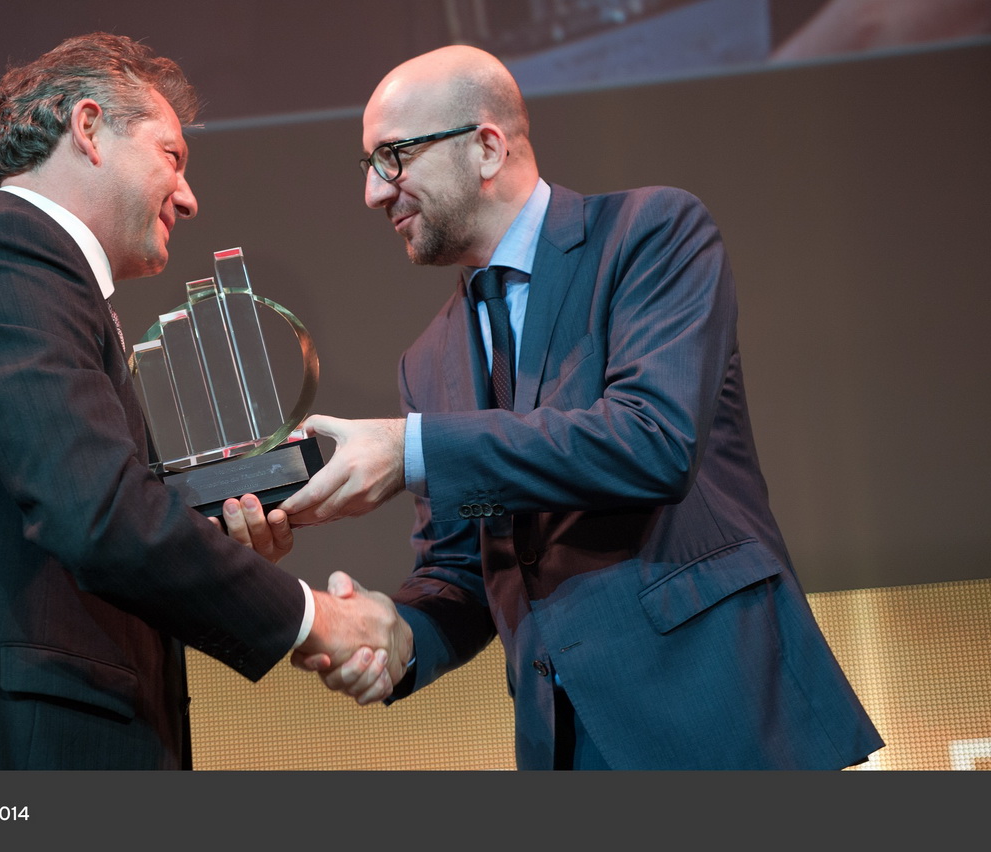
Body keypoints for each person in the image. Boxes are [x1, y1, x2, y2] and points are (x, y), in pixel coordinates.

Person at [282, 45, 885, 770]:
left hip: (721, 716)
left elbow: (652, 440)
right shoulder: (428, 359)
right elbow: (464, 565)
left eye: (393, 157)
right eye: (368, 165)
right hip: (565, 744)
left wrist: (411, 450)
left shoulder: (650, 233)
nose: (374, 193)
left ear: (486, 147)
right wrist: (399, 633)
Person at [0, 32, 407, 771]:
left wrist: (202, 530)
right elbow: (98, 514)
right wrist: (313, 618)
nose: (189, 197)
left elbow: (72, 511)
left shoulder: (31, 274)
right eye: (172, 157)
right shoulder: (2, 259)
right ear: (89, 128)